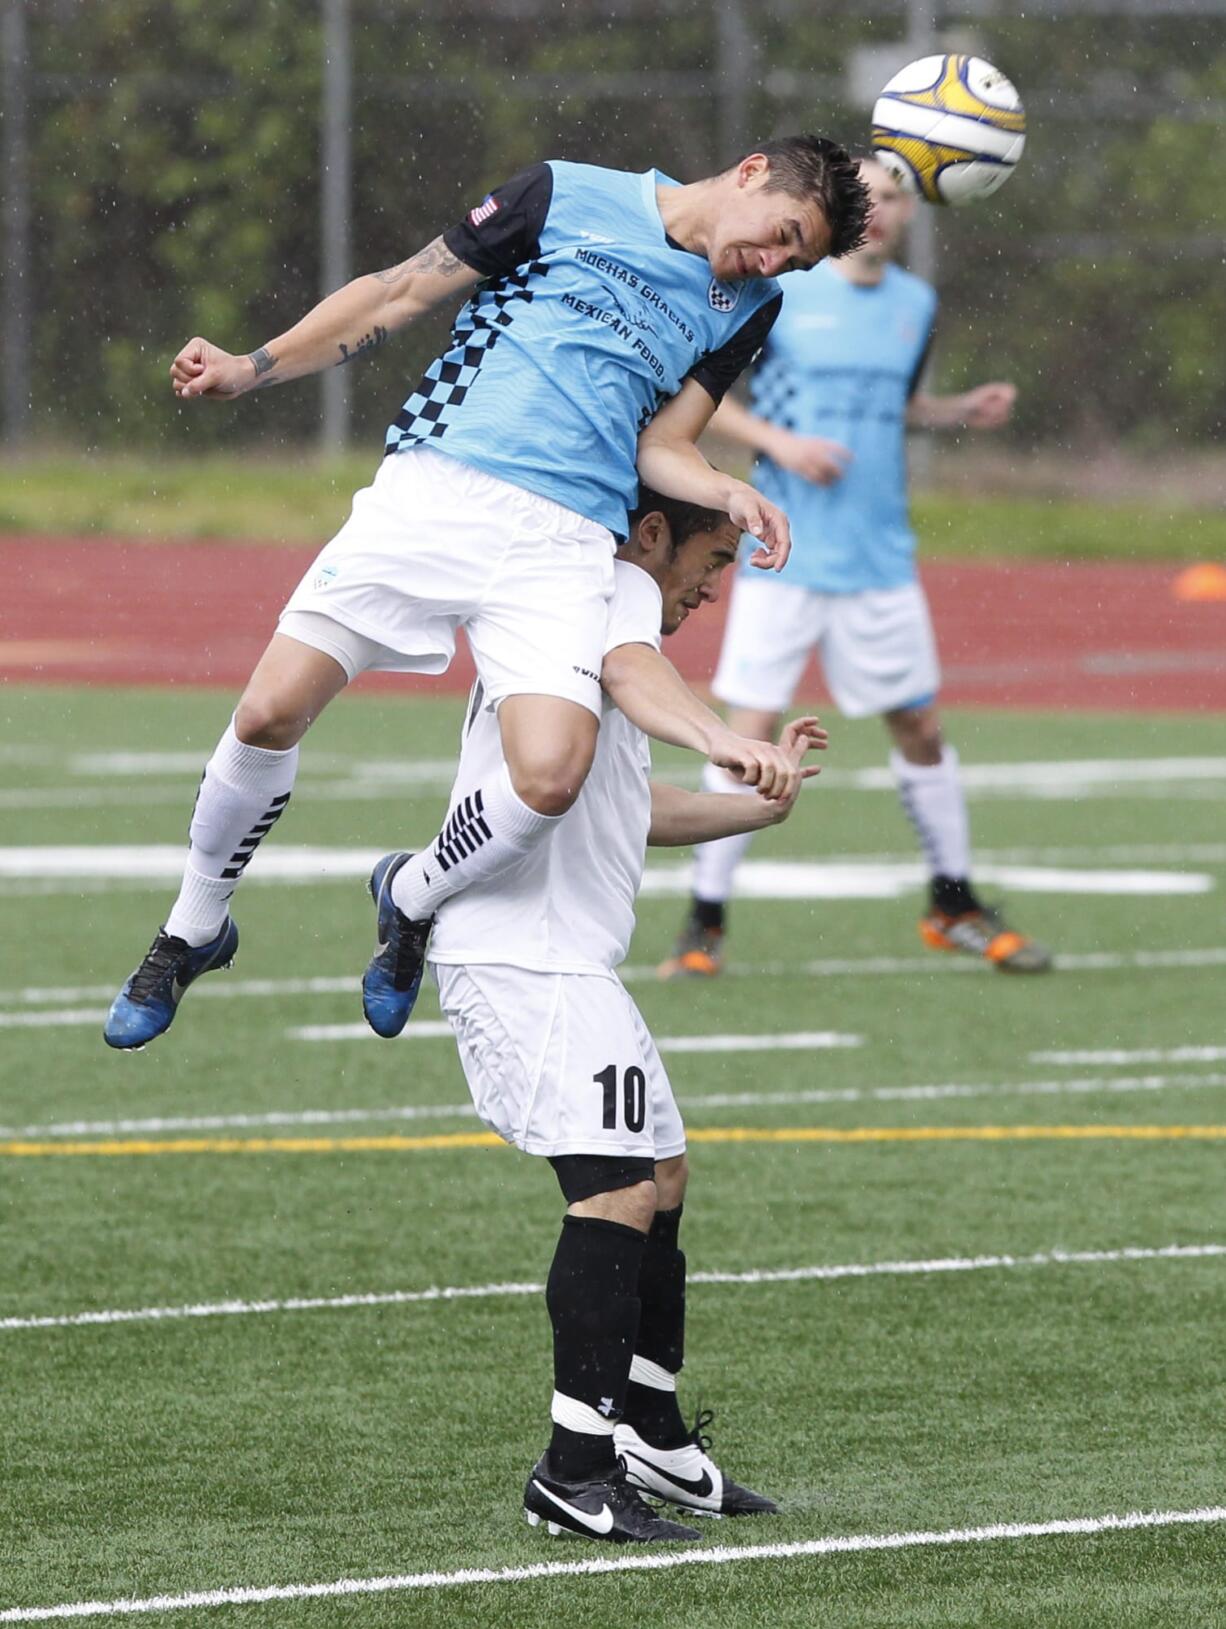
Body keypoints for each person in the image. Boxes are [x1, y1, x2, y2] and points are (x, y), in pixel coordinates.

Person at [103, 138, 870, 1051]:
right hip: (439, 489)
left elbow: (664, 446)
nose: (775, 261)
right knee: (268, 712)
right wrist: (250, 365)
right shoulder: (563, 194)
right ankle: (196, 924)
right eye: (782, 235)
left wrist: (725, 489)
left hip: (566, 540)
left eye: (798, 259)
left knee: (551, 774)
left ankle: (412, 893)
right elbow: (399, 292)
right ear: (750, 172)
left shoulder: (753, 305)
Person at [420, 489, 825, 1543]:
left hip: (567, 963)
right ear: (649, 536)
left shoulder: (605, 625)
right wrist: (727, 738)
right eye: (715, 556)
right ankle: (571, 1466)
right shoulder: (598, 605)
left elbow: (632, 811)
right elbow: (640, 686)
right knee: (612, 1190)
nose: (716, 581)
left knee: (663, 1171)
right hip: (519, 959)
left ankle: (646, 1428)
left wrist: (757, 803)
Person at [662, 156, 1051, 979]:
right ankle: (704, 924)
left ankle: (952, 903)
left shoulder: (916, 305)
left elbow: (894, 405)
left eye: (898, 195)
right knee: (748, 731)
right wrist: (780, 446)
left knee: (919, 727)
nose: (881, 207)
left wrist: (954, 411)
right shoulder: (785, 289)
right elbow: (707, 392)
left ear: (913, 213)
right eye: (868, 192)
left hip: (880, 559)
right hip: (785, 552)